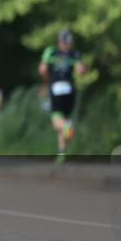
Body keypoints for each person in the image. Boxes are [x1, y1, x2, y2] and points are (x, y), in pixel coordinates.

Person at [39, 28, 86, 160]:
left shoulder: (51, 51)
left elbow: (42, 69)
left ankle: (67, 126)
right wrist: (83, 69)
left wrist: (47, 81)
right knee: (63, 120)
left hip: (56, 88)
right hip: (70, 89)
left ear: (59, 40)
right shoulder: (74, 54)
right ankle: (61, 153)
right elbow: (81, 71)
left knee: (57, 123)